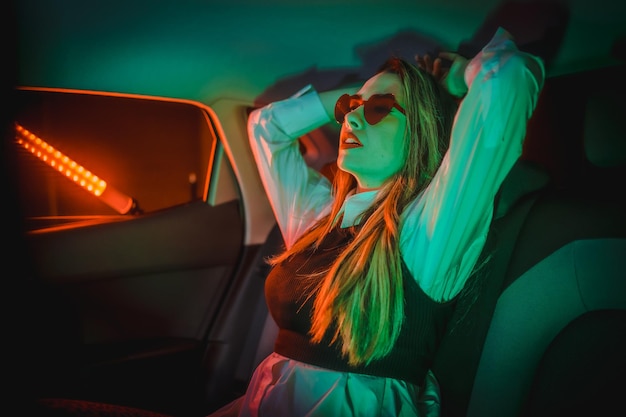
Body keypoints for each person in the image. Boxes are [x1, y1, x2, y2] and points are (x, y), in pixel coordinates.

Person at [209, 27, 545, 417]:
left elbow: (510, 79)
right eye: (350, 107)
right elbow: (267, 129)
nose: (352, 117)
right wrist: (362, 96)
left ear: (419, 130)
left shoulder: (427, 230)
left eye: (379, 108)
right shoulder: (321, 217)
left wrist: (455, 78)